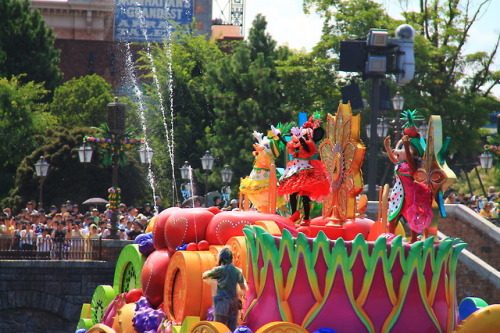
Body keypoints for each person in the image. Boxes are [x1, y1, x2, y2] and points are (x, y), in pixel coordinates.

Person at [272, 114, 330, 226]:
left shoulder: (309, 144)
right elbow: (287, 144)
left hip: (306, 170)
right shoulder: (295, 145)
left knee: (305, 196)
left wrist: (300, 138)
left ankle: (307, 218)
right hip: (295, 171)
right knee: (292, 194)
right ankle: (294, 214)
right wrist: (279, 135)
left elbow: (308, 149)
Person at [384, 110, 433, 241]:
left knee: (410, 215)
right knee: (392, 216)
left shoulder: (412, 165)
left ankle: (414, 239)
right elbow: (393, 159)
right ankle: (390, 238)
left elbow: (411, 162)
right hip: (397, 192)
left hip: (410, 193)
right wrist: (388, 148)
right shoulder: (400, 164)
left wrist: (406, 145)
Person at [202, 247, 247, 331]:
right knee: (232, 328)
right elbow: (243, 287)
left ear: (221, 258)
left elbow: (204, 276)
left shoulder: (219, 270)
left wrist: (216, 279)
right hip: (233, 303)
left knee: (219, 327)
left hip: (221, 303)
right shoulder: (237, 271)